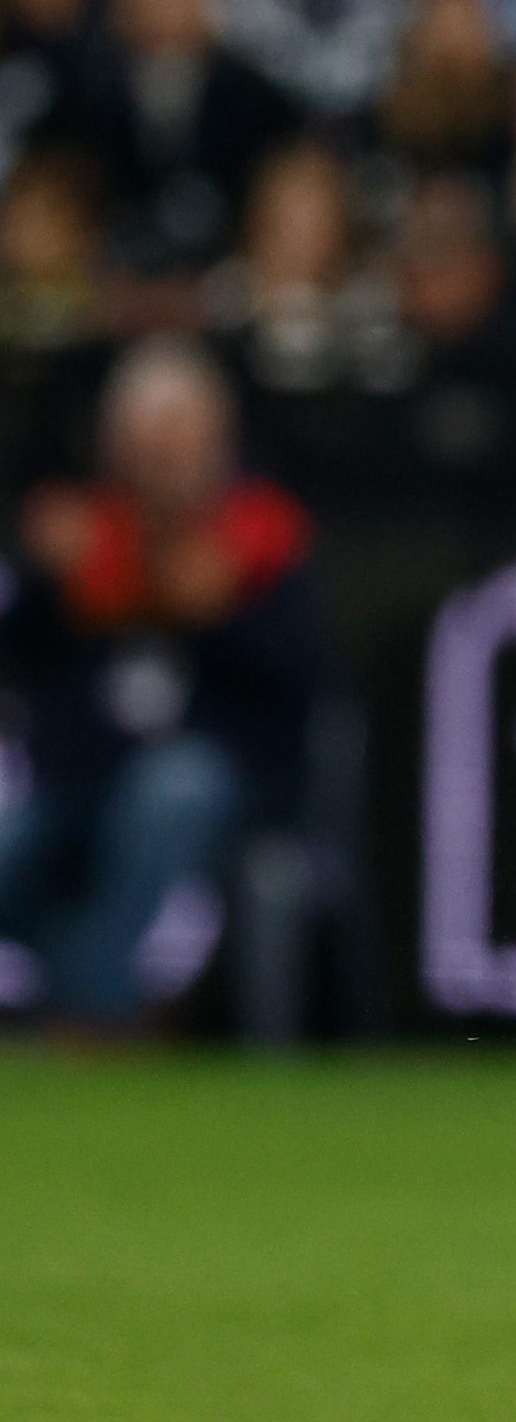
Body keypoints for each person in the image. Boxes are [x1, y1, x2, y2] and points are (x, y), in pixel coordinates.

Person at [0, 335, 321, 1027]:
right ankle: (87, 986)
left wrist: (217, 612)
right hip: (82, 779)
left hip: (232, 781)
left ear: (216, 438)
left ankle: (94, 1011)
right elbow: (25, 658)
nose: (161, 455)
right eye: (145, 437)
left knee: (172, 790)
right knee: (11, 840)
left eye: (177, 434)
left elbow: (301, 681)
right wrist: (45, 581)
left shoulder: (261, 533)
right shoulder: (85, 532)